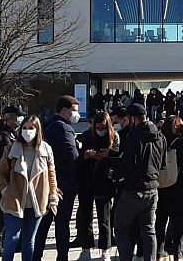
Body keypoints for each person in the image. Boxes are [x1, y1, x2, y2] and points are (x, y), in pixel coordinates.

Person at [0, 116, 59, 261]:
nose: (27, 131)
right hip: (14, 200)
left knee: (29, 240)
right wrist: (5, 190)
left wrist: (52, 196)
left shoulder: (45, 149)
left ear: (38, 130)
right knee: (12, 238)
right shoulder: (11, 149)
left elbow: (51, 174)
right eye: (24, 128)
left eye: (31, 128)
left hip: (37, 202)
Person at [112, 103, 167, 261]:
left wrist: (115, 175)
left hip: (133, 190)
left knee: (121, 227)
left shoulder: (134, 136)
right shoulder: (160, 136)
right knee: (149, 231)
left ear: (133, 119)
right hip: (153, 189)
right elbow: (163, 164)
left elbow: (127, 164)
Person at [33, 95, 81, 261]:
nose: (76, 114)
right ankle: (62, 257)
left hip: (45, 183)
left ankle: (36, 256)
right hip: (63, 184)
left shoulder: (46, 125)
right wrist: (82, 151)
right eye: (74, 110)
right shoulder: (63, 128)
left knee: (42, 225)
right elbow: (72, 155)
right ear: (65, 110)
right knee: (62, 224)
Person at [75, 112, 120, 261]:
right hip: (87, 180)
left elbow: (119, 159)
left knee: (104, 218)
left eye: (103, 127)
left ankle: (105, 249)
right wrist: (86, 155)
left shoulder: (114, 137)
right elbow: (77, 156)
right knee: (85, 217)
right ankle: (86, 248)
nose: (100, 130)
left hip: (105, 181)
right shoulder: (87, 136)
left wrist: (109, 154)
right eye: (98, 127)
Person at [156, 116, 183, 261]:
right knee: (178, 223)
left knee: (159, 222)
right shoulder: (181, 143)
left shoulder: (159, 141)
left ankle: (158, 252)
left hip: (162, 187)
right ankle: (178, 253)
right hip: (179, 188)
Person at [0, 106, 27, 256]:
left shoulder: (12, 133)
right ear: (10, 118)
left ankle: (7, 241)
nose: (20, 120)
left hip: (10, 178)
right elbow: (9, 156)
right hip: (2, 179)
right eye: (18, 117)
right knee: (1, 210)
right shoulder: (3, 136)